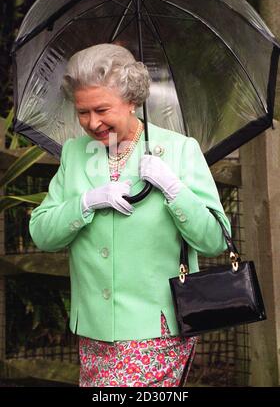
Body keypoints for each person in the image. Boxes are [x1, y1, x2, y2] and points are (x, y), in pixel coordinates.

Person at [29, 43, 232, 388]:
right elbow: (42, 233)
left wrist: (173, 188)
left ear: (132, 99)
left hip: (155, 327)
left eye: (102, 109)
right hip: (94, 329)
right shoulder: (75, 154)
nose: (92, 122)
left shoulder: (180, 151)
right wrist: (85, 203)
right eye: (82, 112)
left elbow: (214, 239)